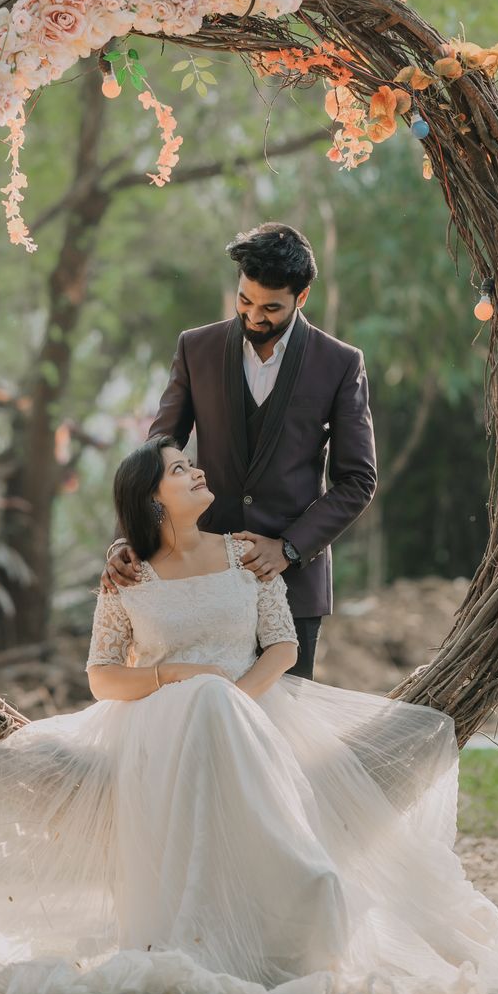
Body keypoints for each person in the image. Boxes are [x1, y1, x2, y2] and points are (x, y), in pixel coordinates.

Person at [0, 437, 498, 994]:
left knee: (246, 710)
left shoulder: (243, 552)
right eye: (179, 468)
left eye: (191, 463)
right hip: (159, 721)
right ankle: (206, 919)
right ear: (151, 497)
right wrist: (179, 678)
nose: (196, 471)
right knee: (199, 704)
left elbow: (283, 645)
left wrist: (237, 697)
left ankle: (295, 894)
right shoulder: (129, 577)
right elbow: (102, 675)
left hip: (252, 708)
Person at [103, 223, 376, 679]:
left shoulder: (341, 363)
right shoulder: (196, 348)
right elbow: (156, 453)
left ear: (301, 297)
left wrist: (289, 548)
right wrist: (128, 536)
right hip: (197, 580)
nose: (254, 317)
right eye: (245, 301)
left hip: (291, 584)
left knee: (279, 737)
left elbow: (358, 480)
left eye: (271, 308)